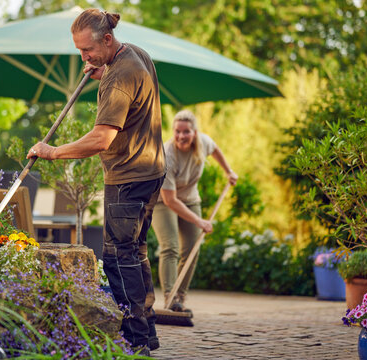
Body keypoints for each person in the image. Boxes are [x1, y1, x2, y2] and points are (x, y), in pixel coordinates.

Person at [26, 9, 166, 355]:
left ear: (106, 40)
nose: (83, 58)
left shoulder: (119, 76)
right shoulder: (135, 55)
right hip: (150, 170)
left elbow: (101, 139)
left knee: (117, 257)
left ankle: (133, 340)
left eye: (88, 51)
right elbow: (130, 88)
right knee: (136, 252)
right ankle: (145, 333)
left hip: (128, 176)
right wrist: (101, 70)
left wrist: (52, 151)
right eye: (79, 51)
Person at [151, 109, 238, 312]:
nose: (181, 136)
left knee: (191, 249)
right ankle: (169, 298)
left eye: (186, 131)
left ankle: (179, 297)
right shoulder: (167, 155)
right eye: (177, 131)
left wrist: (229, 171)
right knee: (170, 247)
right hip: (163, 202)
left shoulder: (203, 143)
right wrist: (200, 222)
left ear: (195, 133)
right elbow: (170, 200)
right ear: (173, 132)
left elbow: (215, 149)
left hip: (190, 199)